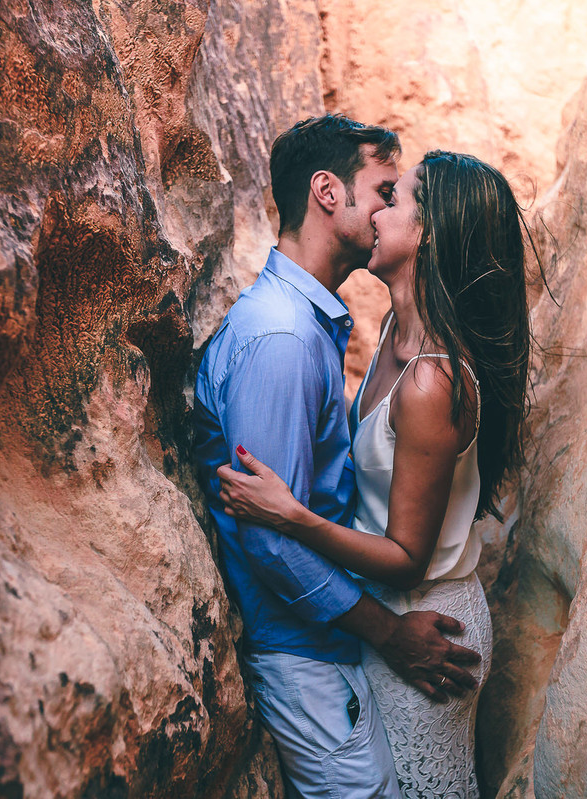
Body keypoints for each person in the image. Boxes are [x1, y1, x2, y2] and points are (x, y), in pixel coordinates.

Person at [218, 150, 536, 797]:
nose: (377, 211)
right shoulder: (397, 330)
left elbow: (407, 556)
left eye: (397, 199)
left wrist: (292, 515)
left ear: (429, 233)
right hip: (388, 616)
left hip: (428, 624)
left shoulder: (431, 380)